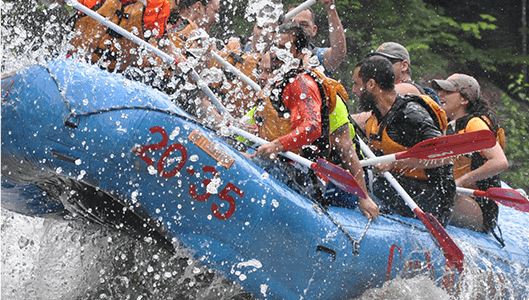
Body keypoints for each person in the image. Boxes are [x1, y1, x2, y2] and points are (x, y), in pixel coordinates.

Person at [252, 26, 379, 219]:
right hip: (294, 166)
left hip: (338, 179)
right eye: (275, 46)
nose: (276, 52)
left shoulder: (308, 88)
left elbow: (346, 152)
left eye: (282, 47)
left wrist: (364, 197)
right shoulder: (276, 89)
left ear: (299, 53)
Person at [352, 55, 456, 225]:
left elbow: (443, 156)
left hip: (433, 199)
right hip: (400, 186)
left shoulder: (411, 114)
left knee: (375, 186)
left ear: (371, 84)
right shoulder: (377, 115)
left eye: (356, 83)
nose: (353, 90)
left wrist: (396, 162)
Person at [432, 74, 508, 233]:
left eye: (448, 91)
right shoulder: (449, 124)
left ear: (464, 100)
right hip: (459, 197)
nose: (441, 94)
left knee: (430, 199)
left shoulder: (474, 124)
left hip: (479, 207)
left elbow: (500, 162)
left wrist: (461, 180)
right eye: (441, 90)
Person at [353, 42, 440, 133]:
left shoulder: (409, 88)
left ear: (404, 66)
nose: (377, 67)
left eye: (385, 62)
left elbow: (364, 120)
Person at [286, 0, 346, 73]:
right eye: (291, 23)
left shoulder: (317, 58)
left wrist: (330, 8)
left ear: (314, 30)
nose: (297, 28)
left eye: (304, 25)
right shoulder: (271, 53)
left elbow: (338, 53)